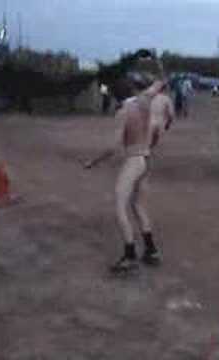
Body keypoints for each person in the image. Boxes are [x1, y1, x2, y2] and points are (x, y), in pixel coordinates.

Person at [85, 52, 175, 275]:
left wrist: (93, 162)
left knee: (120, 205)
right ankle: (151, 250)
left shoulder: (123, 112)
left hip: (134, 160)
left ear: (115, 95)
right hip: (145, 158)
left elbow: (113, 147)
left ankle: (130, 254)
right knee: (137, 204)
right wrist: (156, 60)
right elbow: (163, 81)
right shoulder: (144, 100)